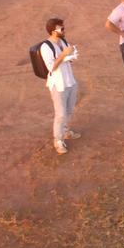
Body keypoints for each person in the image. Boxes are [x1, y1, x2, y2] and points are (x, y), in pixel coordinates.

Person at [41, 17, 79, 154]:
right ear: (53, 31)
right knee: (61, 114)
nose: (63, 30)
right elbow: (51, 67)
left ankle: (65, 131)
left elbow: (66, 59)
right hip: (58, 85)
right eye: (61, 28)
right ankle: (58, 140)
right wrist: (64, 54)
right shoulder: (46, 47)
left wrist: (71, 56)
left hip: (70, 81)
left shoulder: (62, 41)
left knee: (69, 111)